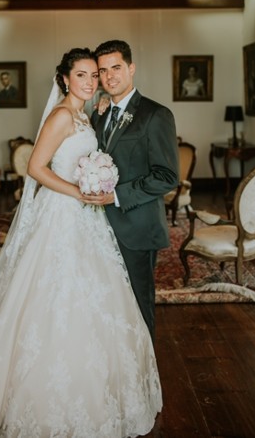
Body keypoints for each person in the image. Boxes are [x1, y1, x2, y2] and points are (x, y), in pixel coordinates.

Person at [0, 48, 162, 436]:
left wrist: (94, 183)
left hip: (87, 220)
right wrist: (78, 191)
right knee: (51, 297)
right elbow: (36, 167)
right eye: (82, 75)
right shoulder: (62, 115)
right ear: (64, 79)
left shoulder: (86, 113)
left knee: (95, 297)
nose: (91, 81)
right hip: (62, 216)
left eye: (93, 75)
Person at [89, 39, 179, 339]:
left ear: (131, 68)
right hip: (98, 227)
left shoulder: (156, 115)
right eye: (102, 71)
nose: (110, 76)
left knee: (138, 306)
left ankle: (144, 373)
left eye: (116, 68)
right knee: (107, 302)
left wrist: (116, 195)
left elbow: (167, 176)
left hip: (136, 228)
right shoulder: (99, 113)